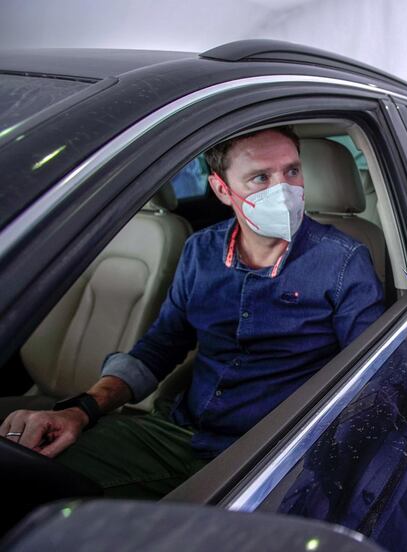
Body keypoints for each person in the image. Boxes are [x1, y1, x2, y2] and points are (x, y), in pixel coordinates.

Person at [1, 126, 385, 498]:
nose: (283, 191)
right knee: (27, 474)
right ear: (221, 189)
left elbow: (371, 377)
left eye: (292, 171)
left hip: (271, 454)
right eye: (259, 177)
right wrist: (82, 409)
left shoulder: (343, 261)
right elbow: (162, 344)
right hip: (177, 432)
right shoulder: (201, 251)